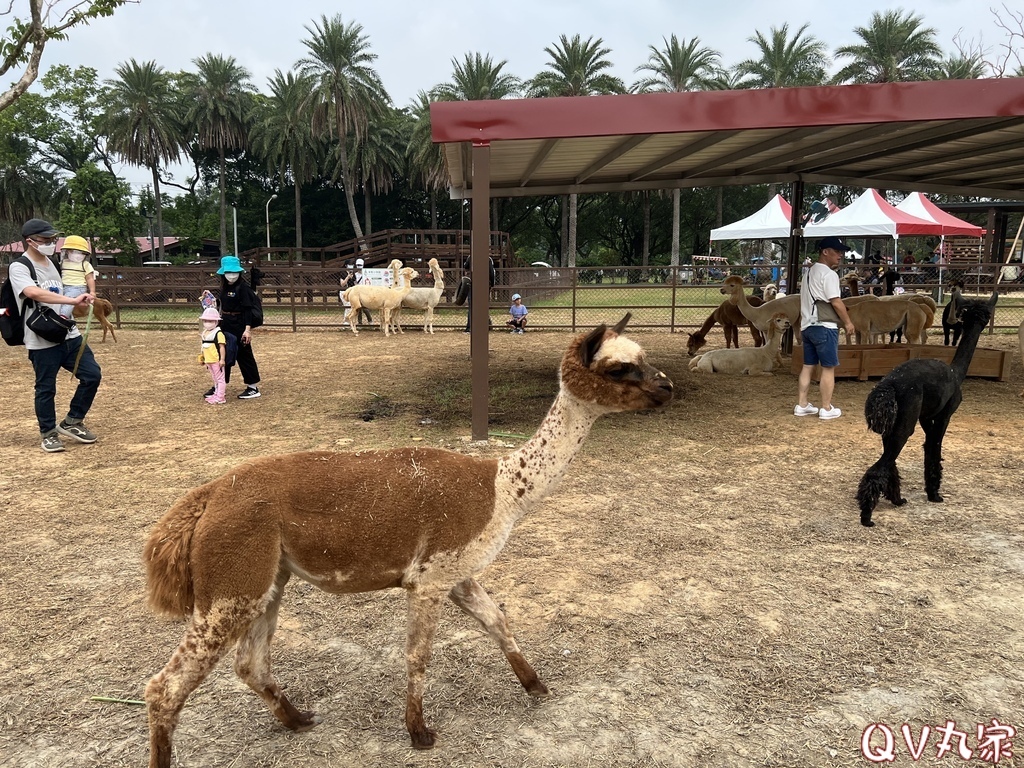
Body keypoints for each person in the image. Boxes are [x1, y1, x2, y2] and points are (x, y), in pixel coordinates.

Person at [8, 218, 101, 452]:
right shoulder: (20, 267)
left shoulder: (54, 263)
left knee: (92, 375)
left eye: (52, 239)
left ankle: (72, 421)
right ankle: (48, 432)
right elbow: (33, 292)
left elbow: (70, 290)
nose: (51, 242)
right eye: (45, 239)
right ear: (30, 241)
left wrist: (82, 301)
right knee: (46, 387)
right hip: (41, 338)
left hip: (69, 333)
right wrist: (70, 299)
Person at [795, 237, 856, 421]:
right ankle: (826, 407)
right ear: (825, 252)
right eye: (837, 251)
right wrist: (847, 322)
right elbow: (836, 301)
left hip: (808, 326)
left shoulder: (808, 273)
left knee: (808, 366)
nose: (840, 255)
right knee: (828, 368)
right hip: (825, 325)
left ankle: (802, 404)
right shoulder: (829, 275)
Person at [214, 255, 262, 399]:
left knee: (244, 354)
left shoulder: (243, 288)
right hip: (226, 323)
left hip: (240, 324)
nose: (231, 275)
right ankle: (220, 384)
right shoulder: (223, 288)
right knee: (223, 353)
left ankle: (253, 386)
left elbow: (247, 310)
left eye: (234, 272)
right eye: (228, 272)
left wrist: (247, 330)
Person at [58, 235, 96, 316]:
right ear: (67, 251)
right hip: (62, 286)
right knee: (58, 301)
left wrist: (92, 291)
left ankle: (63, 317)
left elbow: (90, 278)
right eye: (75, 252)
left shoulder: (85, 264)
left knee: (69, 301)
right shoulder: (63, 263)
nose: (78, 255)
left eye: (82, 253)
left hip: (78, 287)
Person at [198, 307, 227, 405]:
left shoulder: (218, 333)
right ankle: (216, 393)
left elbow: (222, 347)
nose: (207, 323)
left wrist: (222, 359)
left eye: (210, 321)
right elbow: (203, 347)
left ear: (216, 322)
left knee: (220, 379)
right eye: (205, 321)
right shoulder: (205, 333)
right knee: (215, 378)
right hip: (209, 360)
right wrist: (202, 357)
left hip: (216, 360)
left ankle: (221, 396)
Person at [463, 253, 496, 333]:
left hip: (472, 284)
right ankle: (483, 327)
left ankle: (470, 327)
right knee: (483, 306)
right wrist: (492, 284)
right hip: (484, 285)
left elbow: (466, 266)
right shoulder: (488, 259)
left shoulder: (470, 257)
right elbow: (492, 272)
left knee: (472, 307)